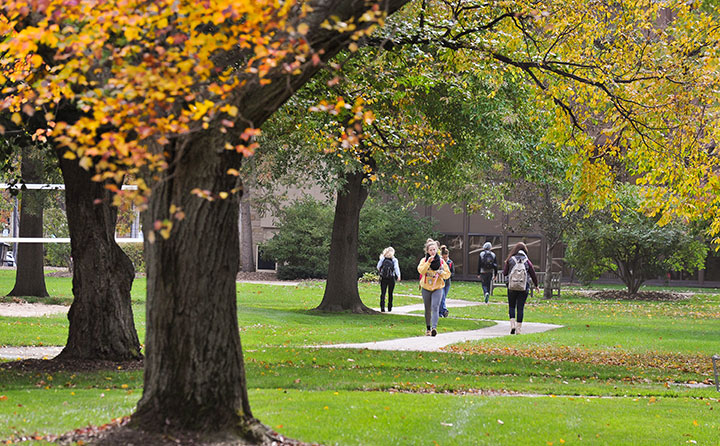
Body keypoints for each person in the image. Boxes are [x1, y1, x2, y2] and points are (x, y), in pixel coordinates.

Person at [502, 242, 539, 334]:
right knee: (520, 308)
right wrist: (536, 285)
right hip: (523, 287)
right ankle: (518, 329)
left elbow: (505, 273)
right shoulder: (527, 261)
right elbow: (533, 274)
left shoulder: (510, 259)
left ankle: (512, 325)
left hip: (512, 287)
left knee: (511, 306)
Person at [418, 239, 451, 336]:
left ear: (437, 250)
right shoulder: (424, 260)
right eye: (431, 250)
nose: (433, 252)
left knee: (435, 307)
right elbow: (421, 271)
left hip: (438, 288)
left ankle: (434, 328)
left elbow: (448, 274)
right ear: (427, 251)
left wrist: (442, 273)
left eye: (434, 250)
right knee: (427, 309)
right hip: (426, 288)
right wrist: (428, 263)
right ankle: (428, 328)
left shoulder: (441, 261)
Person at [376, 247, 401, 312]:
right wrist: (398, 276)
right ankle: (389, 307)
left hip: (383, 278)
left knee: (383, 293)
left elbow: (378, 266)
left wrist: (381, 271)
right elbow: (396, 268)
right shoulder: (394, 260)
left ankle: (382, 307)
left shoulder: (382, 259)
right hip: (391, 278)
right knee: (390, 293)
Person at [438, 245, 454, 318]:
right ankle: (444, 310)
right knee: (442, 297)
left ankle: (440, 312)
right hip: (440, 283)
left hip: (447, 283)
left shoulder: (450, 263)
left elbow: (453, 272)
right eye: (443, 257)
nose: (445, 259)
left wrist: (449, 275)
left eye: (446, 257)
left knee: (443, 298)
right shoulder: (439, 262)